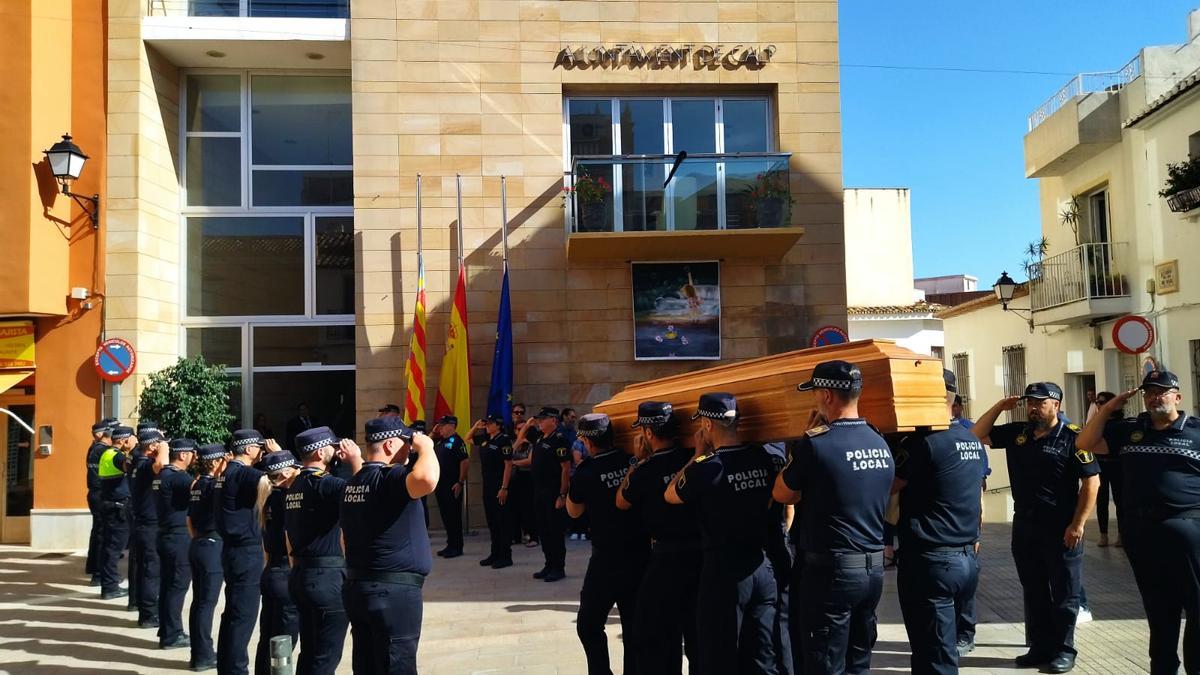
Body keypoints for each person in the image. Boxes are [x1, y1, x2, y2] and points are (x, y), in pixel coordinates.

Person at [773, 361, 894, 675]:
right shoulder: (879, 441)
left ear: (826, 395)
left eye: (814, 392)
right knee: (858, 662)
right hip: (872, 571)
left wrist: (802, 443)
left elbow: (782, 493)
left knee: (824, 663)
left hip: (831, 575)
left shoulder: (816, 445)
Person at [1077, 370, 1200, 675]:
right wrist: (1106, 409)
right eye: (1149, 392)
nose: (1155, 397)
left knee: (1197, 606)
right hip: (1142, 533)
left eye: (1162, 391)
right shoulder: (1129, 429)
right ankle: (1163, 668)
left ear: (1177, 397)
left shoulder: (1196, 431)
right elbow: (1085, 441)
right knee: (1159, 610)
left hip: (1189, 530)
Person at [973, 382, 1099, 674]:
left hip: (1061, 525)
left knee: (1065, 593)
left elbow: (1091, 482)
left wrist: (1078, 524)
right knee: (1034, 588)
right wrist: (998, 407)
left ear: (1056, 405)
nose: (1033, 407)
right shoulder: (1018, 433)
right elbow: (976, 434)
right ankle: (1040, 646)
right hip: (1025, 524)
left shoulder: (1074, 437)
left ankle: (1064, 650)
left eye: (1040, 402)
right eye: (1030, 402)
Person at [667, 392, 777, 675]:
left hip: (724, 570)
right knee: (762, 655)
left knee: (718, 654)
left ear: (706, 425)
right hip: (761, 567)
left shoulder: (708, 467)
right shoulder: (761, 457)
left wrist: (697, 455)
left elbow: (670, 495)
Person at [892, 369, 985, 674]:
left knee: (935, 656)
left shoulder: (924, 443)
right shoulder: (969, 439)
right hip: (964, 557)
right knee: (933, 650)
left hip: (932, 561)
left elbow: (889, 483)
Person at [340, 415, 438, 674]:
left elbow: (343, 537)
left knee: (368, 664)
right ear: (389, 446)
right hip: (392, 593)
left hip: (358, 586)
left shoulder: (353, 482)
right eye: (406, 442)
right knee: (397, 665)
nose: (410, 447)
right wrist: (426, 446)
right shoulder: (391, 477)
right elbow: (427, 479)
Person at [617, 401, 701, 675]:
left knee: (655, 634)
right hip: (701, 557)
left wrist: (637, 459)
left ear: (649, 434)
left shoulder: (645, 470)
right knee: (697, 634)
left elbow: (621, 501)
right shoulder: (694, 456)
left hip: (665, 560)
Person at [566, 413, 649, 674]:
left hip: (606, 560)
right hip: (640, 555)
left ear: (587, 442)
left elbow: (574, 512)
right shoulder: (631, 462)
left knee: (589, 625)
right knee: (634, 627)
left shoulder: (586, 471)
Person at [286, 427, 350, 675]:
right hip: (326, 579)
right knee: (325, 657)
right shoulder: (326, 484)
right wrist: (355, 461)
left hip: (301, 575)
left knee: (310, 653)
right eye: (333, 447)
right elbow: (366, 492)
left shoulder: (295, 485)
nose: (336, 451)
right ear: (321, 451)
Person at [215, 429, 273, 675]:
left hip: (232, 550)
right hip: (246, 553)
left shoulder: (226, 473)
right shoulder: (242, 473)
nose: (261, 451)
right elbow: (276, 478)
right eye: (259, 447)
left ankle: (227, 668)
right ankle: (237, 670)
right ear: (249, 449)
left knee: (232, 614)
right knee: (243, 616)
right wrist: (278, 454)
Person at [254, 449, 299, 675]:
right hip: (285, 573)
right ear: (285, 473)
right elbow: (290, 539)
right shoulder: (286, 500)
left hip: (271, 572)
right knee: (284, 644)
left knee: (268, 639)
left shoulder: (269, 497)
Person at [514, 407, 571, 582]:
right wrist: (527, 424)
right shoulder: (539, 437)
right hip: (538, 490)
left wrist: (562, 495)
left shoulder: (559, 439)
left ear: (553, 420)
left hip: (553, 491)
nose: (539, 422)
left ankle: (558, 567)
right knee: (543, 530)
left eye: (542, 419)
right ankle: (549, 564)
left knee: (554, 530)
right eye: (538, 419)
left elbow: (565, 469)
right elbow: (519, 440)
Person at [154, 437, 197, 650]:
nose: (193, 458)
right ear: (182, 454)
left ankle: (166, 629)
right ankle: (172, 635)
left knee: (167, 585)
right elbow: (201, 489)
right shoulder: (179, 478)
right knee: (177, 587)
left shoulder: (162, 475)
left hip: (164, 534)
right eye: (191, 453)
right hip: (178, 537)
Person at [188, 443, 227, 672]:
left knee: (199, 602)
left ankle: (199, 652)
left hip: (198, 543)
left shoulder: (196, 483)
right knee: (206, 603)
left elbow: (189, 520)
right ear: (215, 461)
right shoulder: (213, 486)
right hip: (211, 545)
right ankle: (203, 655)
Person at [129, 426, 164, 626]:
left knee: (145, 569)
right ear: (152, 446)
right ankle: (150, 615)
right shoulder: (143, 464)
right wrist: (165, 448)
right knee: (151, 570)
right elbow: (161, 464)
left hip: (142, 523)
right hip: (149, 525)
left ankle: (146, 612)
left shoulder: (137, 461)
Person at [96, 425, 135, 600]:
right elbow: (131, 468)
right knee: (114, 548)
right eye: (131, 438)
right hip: (117, 507)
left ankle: (108, 583)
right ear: (122, 440)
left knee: (109, 547)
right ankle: (110, 587)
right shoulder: (117, 456)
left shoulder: (106, 453)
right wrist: (133, 451)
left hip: (108, 503)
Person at [471, 414, 514, 569]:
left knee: (502, 521)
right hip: (487, 485)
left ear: (499, 425)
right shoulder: (486, 439)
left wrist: (504, 487)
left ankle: (505, 555)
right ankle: (495, 553)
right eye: (486, 423)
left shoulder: (504, 440)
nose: (487, 425)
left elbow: (508, 465)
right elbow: (468, 438)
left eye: (490, 423)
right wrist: (476, 426)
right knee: (492, 521)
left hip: (499, 485)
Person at [85, 418, 117, 585]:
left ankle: (94, 568)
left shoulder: (94, 448)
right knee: (103, 534)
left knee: (98, 532)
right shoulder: (103, 450)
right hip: (100, 494)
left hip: (96, 493)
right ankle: (98, 573)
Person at [432, 415, 469, 559]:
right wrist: (434, 433)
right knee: (446, 516)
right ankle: (450, 544)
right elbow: (427, 443)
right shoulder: (441, 440)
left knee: (453, 517)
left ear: (452, 426)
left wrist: (460, 482)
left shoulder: (457, 441)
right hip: (440, 485)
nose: (440, 427)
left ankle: (457, 547)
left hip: (452, 485)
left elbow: (465, 462)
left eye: (443, 425)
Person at [1091, 391, 1125, 548]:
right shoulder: (1097, 422)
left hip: (1118, 464)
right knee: (1101, 500)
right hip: (1101, 465)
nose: (1098, 404)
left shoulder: (1122, 424)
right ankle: (1103, 535)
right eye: (1097, 401)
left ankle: (1121, 534)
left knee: (1121, 500)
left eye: (1102, 401)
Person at [508, 403, 538, 547]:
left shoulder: (532, 443)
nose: (522, 431)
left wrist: (514, 463)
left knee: (528, 509)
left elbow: (530, 461)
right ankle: (515, 536)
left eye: (524, 428)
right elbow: (508, 455)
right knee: (514, 508)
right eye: (519, 429)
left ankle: (532, 536)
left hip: (527, 478)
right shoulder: (513, 442)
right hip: (514, 479)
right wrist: (518, 441)